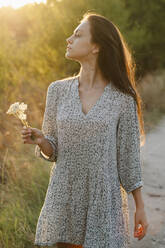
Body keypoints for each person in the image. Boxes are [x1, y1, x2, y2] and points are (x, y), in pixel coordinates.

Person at [21, 12, 149, 248]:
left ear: (96, 47)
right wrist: (41, 141)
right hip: (64, 195)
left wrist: (139, 207)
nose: (69, 39)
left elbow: (129, 159)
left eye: (78, 35)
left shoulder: (123, 99)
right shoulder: (56, 91)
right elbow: (54, 151)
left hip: (102, 200)